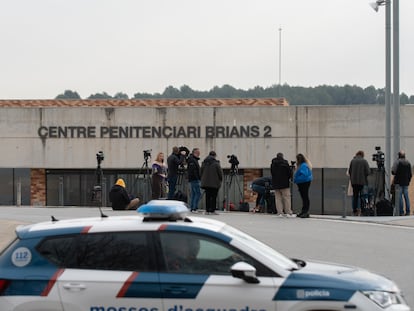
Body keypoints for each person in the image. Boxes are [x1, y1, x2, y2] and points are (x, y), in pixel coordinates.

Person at [270, 152, 293, 217]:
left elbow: (272, 173)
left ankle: (280, 212)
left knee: (278, 198)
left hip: (276, 184)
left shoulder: (273, 164)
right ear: (282, 157)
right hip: (285, 183)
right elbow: (289, 173)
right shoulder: (285, 163)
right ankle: (288, 212)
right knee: (287, 198)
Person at [348, 150, 370, 216]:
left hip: (354, 182)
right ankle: (362, 209)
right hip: (362, 182)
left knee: (355, 196)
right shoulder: (364, 161)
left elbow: (349, 171)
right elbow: (368, 172)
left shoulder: (352, 161)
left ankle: (354, 209)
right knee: (362, 196)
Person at [392, 150, 412, 216]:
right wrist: (408, 181)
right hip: (406, 182)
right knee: (406, 197)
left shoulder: (397, 162)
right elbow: (410, 174)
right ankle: (408, 211)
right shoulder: (408, 162)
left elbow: (393, 171)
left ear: (399, 155)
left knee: (399, 197)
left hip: (398, 182)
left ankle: (401, 212)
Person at [293, 154, 313, 218]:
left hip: (303, 183)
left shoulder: (303, 165)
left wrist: (297, 179)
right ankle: (304, 211)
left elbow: (304, 175)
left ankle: (305, 211)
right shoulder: (303, 165)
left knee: (305, 197)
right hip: (303, 182)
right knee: (304, 197)